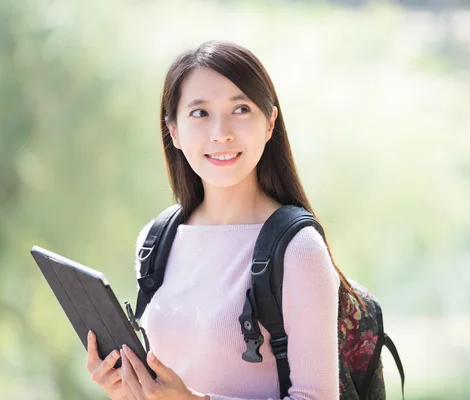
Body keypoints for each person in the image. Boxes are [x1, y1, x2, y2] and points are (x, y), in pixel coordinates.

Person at [85, 40, 359, 400]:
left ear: (270, 122)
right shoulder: (156, 240)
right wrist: (126, 387)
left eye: (241, 109)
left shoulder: (298, 249)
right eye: (200, 113)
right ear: (174, 131)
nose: (221, 133)